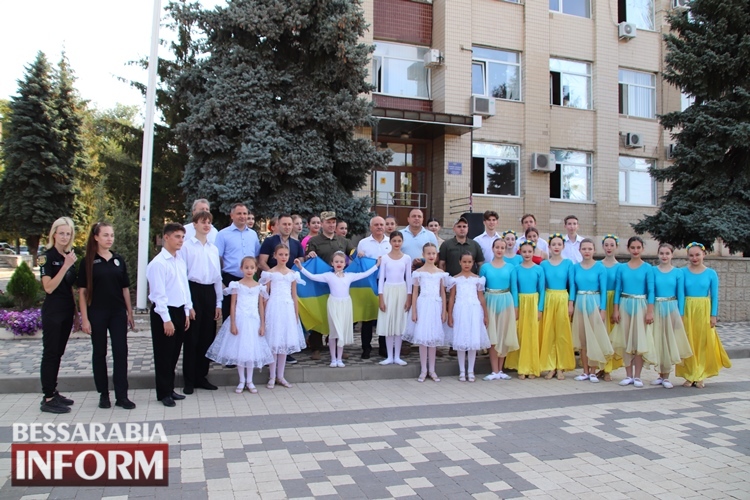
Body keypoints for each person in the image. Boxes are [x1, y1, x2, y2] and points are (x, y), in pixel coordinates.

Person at [78, 222, 135, 410]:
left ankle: (122, 396)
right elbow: (83, 292)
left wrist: (130, 312)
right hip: (97, 312)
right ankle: (104, 394)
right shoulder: (88, 261)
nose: (109, 238)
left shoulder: (118, 260)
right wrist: (84, 319)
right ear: (96, 237)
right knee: (99, 352)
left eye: (111, 235)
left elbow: (125, 288)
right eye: (105, 235)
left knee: (121, 352)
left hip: (117, 313)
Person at [295, 253, 380, 367]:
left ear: (345, 264)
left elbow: (365, 274)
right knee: (334, 332)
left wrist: (377, 265)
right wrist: (301, 267)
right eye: (336, 261)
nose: (339, 264)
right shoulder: (328, 276)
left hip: (345, 305)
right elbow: (313, 277)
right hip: (333, 304)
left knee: (341, 332)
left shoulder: (350, 275)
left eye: (341, 262)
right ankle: (333, 359)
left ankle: (339, 359)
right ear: (332, 263)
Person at [205, 256, 274, 394]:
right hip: (240, 320)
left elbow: (260, 306)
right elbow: (232, 305)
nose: (249, 270)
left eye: (252, 268)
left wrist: (262, 324)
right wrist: (233, 323)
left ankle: (250, 380)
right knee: (240, 353)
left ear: (256, 269)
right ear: (241, 269)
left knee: (250, 352)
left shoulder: (259, 287)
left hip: (253, 321)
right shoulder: (236, 285)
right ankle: (242, 380)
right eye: (246, 267)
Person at [147, 223, 192, 407]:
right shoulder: (158, 264)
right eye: (177, 236)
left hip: (180, 310)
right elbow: (159, 295)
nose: (181, 240)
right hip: (164, 312)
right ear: (166, 237)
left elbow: (184, 286)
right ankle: (163, 392)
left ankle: (170, 388)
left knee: (174, 353)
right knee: (164, 354)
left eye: (182, 237)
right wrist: (167, 319)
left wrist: (187, 311)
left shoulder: (179, 260)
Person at [677, 242, 732, 388]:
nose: (694, 258)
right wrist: (680, 314)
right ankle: (689, 374)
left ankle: (700, 374)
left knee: (702, 342)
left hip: (703, 310)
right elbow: (680, 295)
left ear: (704, 255)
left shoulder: (711, 273)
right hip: (688, 310)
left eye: (697, 255)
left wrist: (713, 315)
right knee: (688, 342)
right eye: (691, 255)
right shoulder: (682, 272)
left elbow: (714, 296)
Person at [179, 211, 223, 394]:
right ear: (194, 224)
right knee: (192, 338)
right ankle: (189, 380)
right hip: (193, 290)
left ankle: (201, 376)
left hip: (209, 292)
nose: (206, 225)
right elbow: (182, 276)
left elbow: (217, 277)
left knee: (207, 336)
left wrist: (218, 302)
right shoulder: (187, 247)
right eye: (203, 222)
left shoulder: (213, 248)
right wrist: (188, 305)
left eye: (209, 223)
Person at [38, 217, 79, 414]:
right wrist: (64, 265)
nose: (65, 237)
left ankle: (53, 391)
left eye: (68, 233)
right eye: (61, 233)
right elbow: (48, 287)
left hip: (66, 310)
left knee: (59, 353)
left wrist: (77, 313)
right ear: (54, 234)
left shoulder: (69, 256)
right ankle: (47, 398)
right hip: (53, 311)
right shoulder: (47, 257)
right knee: (51, 353)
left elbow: (70, 288)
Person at [306, 211, 356, 360]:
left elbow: (352, 252)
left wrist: (359, 254)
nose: (331, 224)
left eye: (333, 222)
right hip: (321, 285)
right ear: (322, 224)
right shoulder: (314, 241)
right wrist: (310, 255)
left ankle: (337, 344)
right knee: (320, 313)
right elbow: (309, 257)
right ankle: (316, 347)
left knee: (338, 316)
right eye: (328, 222)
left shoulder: (343, 241)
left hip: (339, 285)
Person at [611, 236, 655, 388]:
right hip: (625, 304)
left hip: (640, 305)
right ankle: (628, 375)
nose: (635, 250)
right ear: (628, 249)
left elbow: (651, 291)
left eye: (638, 247)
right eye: (633, 247)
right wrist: (615, 309)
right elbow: (617, 290)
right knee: (625, 341)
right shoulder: (621, 268)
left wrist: (650, 311)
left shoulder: (648, 268)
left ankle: (638, 376)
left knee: (638, 341)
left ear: (642, 249)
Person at [260, 245, 307, 388]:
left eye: (286, 254)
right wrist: (263, 315)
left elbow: (294, 294)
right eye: (280, 254)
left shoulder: (292, 273)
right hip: (274, 308)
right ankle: (272, 376)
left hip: (287, 308)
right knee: (274, 343)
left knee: (284, 344)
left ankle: (281, 376)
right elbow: (265, 295)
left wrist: (296, 313)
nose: (283, 257)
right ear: (275, 255)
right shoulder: (269, 273)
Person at [569, 239, 614, 382]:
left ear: (594, 250)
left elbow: (603, 289)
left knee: (593, 337)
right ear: (580, 250)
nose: (587, 251)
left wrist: (603, 309)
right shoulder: (575, 267)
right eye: (584, 249)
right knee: (582, 339)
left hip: (594, 302)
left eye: (589, 249)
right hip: (581, 301)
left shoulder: (600, 268)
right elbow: (572, 288)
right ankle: (585, 371)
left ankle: (594, 371)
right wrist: (571, 304)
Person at [404, 242, 448, 382]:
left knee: (433, 339)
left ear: (436, 255)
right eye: (428, 253)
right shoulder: (418, 273)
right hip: (423, 305)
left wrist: (444, 311)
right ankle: (423, 370)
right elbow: (415, 293)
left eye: (433, 253)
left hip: (435, 306)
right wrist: (414, 311)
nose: (431, 256)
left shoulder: (441, 273)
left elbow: (443, 292)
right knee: (423, 339)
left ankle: (432, 369)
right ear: (423, 255)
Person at [651, 244, 693, 389]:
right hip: (657, 307)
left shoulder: (677, 273)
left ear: (672, 255)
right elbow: (651, 291)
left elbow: (681, 294)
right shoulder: (653, 271)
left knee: (668, 340)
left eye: (667, 253)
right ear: (658, 254)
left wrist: (680, 314)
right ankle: (660, 374)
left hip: (671, 307)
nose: (664, 256)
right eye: (661, 253)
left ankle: (667, 375)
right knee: (658, 340)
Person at [446, 252, 490, 382]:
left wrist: (485, 314)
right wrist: (450, 315)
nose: (467, 264)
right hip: (460, 310)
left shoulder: (477, 279)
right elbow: (452, 297)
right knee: (461, 340)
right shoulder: (455, 279)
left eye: (469, 262)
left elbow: (481, 297)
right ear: (460, 262)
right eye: (464, 262)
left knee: (472, 341)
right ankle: (461, 370)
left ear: (473, 263)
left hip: (474, 310)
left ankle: (471, 370)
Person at [479, 238, 518, 381]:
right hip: (490, 301)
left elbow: (514, 288)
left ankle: (501, 369)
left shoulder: (510, 267)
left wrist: (515, 307)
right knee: (492, 335)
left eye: (502, 247)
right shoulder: (485, 267)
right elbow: (480, 289)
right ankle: (494, 370)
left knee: (503, 334)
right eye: (497, 247)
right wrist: (481, 308)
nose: (500, 250)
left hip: (505, 300)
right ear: (493, 248)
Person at [504, 241, 544, 379]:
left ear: (533, 253)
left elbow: (541, 290)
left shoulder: (539, 269)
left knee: (532, 335)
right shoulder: (516, 269)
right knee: (520, 334)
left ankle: (532, 367)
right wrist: (515, 307)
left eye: (529, 251)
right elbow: (514, 289)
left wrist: (540, 309)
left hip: (533, 302)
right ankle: (521, 366)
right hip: (521, 302)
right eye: (524, 251)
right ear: (520, 252)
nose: (527, 254)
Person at [216, 202, 261, 320]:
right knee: (230, 316)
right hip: (230, 279)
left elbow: (256, 256)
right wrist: (220, 280)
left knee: (248, 316)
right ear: (232, 215)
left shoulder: (253, 234)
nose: (242, 216)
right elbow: (217, 259)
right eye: (239, 213)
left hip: (250, 280)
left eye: (245, 213)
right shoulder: (223, 234)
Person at [539, 234, 576, 380]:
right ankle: (550, 366)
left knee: (562, 333)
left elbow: (572, 284)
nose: (556, 247)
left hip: (562, 298)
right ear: (549, 247)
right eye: (553, 244)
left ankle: (561, 366)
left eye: (559, 244)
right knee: (549, 332)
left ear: (563, 246)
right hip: (549, 298)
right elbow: (541, 288)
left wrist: (571, 303)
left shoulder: (568, 264)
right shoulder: (544, 265)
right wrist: (540, 308)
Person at [356, 216, 391, 359]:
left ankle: (383, 347)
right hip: (369, 284)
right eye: (376, 225)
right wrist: (359, 256)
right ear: (371, 227)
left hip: (387, 282)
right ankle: (366, 347)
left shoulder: (391, 242)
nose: (379, 227)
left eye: (382, 224)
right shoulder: (363, 243)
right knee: (367, 317)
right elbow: (359, 264)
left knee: (384, 315)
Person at [376, 231, 412, 365]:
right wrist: (381, 297)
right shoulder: (385, 258)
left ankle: (397, 356)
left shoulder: (406, 258)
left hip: (401, 291)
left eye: (399, 241)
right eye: (394, 241)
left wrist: (409, 297)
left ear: (402, 242)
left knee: (399, 323)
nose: (397, 243)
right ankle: (389, 356)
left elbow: (408, 279)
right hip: (388, 290)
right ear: (390, 242)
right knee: (389, 324)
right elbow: (381, 279)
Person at [599, 234, 623, 381]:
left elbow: (620, 288)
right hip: (601, 301)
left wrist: (616, 309)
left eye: (611, 245)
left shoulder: (620, 267)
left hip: (613, 301)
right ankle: (600, 367)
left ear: (616, 247)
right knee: (600, 334)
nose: (609, 248)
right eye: (606, 245)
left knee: (611, 335)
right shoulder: (598, 265)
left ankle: (608, 368)